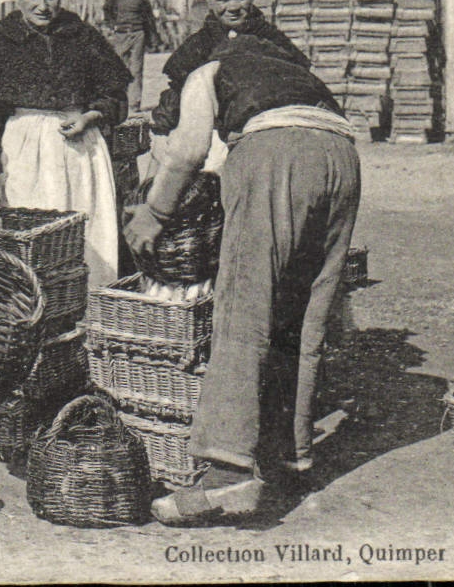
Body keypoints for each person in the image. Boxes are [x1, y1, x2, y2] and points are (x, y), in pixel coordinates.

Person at [127, 30, 358, 526]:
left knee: (243, 309)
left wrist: (154, 212)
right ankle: (289, 453)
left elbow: (188, 152)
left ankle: (226, 472)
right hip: (343, 159)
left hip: (275, 154)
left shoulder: (208, 72)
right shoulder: (299, 76)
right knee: (304, 314)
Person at [0, 0, 132, 287]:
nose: (43, 5)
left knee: (88, 237)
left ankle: (90, 307)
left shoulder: (83, 37)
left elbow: (116, 96)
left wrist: (90, 116)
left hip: (81, 154)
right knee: (32, 241)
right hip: (24, 154)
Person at [152, 0, 306, 136]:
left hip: (268, 134)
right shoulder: (198, 47)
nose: (233, 7)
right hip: (213, 139)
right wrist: (162, 129)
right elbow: (176, 96)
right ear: (208, 0)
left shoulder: (273, 40)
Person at [103, 0, 160, 112]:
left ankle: (134, 104)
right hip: (121, 35)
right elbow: (106, 10)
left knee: (136, 69)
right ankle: (119, 102)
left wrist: (153, 38)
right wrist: (112, 25)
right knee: (119, 68)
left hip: (137, 34)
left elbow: (149, 19)